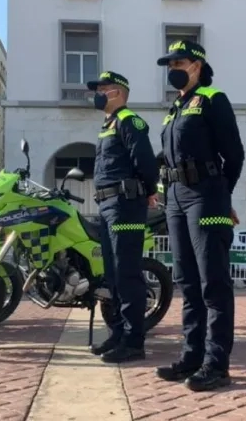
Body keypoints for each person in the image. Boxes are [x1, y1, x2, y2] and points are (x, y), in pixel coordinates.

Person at [153, 40, 245, 391]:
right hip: (175, 199)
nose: (172, 68)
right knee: (187, 283)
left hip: (206, 196)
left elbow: (234, 154)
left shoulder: (212, 99)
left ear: (197, 65)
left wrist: (222, 195)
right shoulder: (176, 107)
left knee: (213, 284)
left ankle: (216, 364)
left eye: (179, 62)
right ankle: (191, 356)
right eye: (169, 63)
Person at [86, 71, 159, 363]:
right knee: (113, 274)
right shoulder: (108, 125)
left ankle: (134, 341)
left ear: (117, 92)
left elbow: (145, 162)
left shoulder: (130, 121)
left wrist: (149, 190)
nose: (97, 93)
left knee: (127, 272)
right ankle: (118, 333)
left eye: (102, 88)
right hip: (107, 205)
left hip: (125, 203)